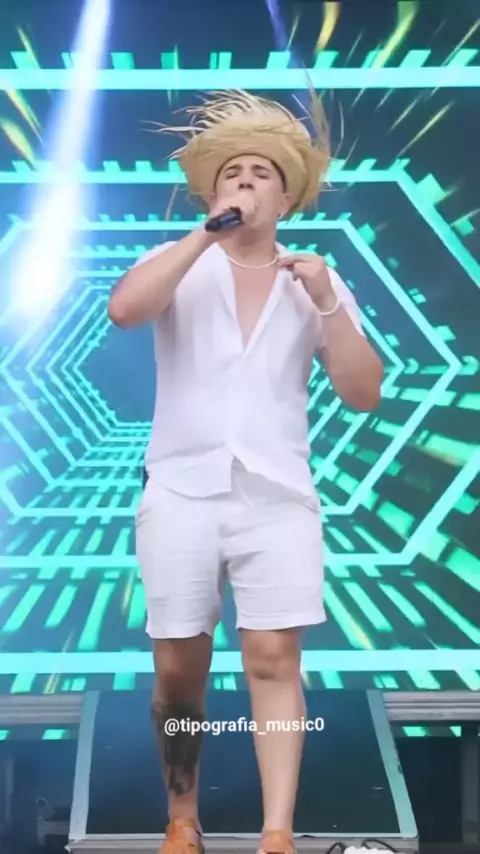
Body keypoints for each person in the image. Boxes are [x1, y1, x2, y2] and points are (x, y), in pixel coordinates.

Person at [108, 89, 384, 854]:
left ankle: (276, 833)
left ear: (286, 199)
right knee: (178, 667)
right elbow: (125, 311)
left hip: (278, 495)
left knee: (273, 657)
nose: (246, 182)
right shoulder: (179, 263)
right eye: (232, 174)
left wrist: (327, 301)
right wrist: (203, 237)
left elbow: (364, 392)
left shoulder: (315, 280)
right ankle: (182, 818)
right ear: (211, 194)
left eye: (262, 174)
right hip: (181, 490)